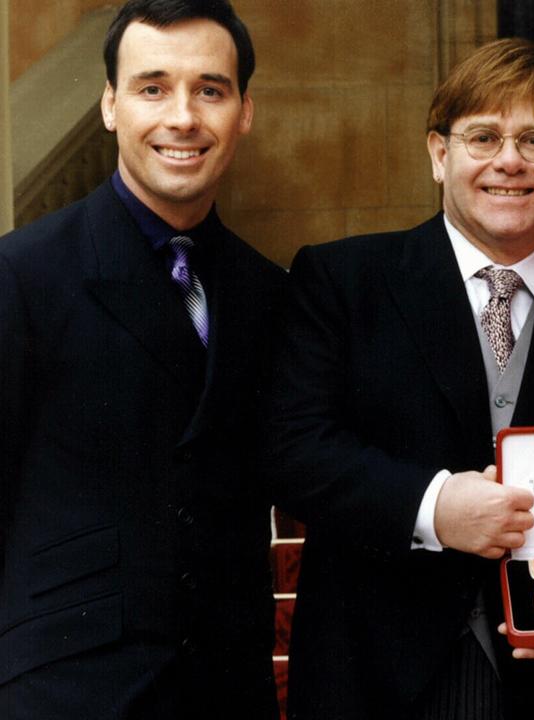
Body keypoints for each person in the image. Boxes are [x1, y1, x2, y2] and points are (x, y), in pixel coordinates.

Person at [265, 38, 534, 720]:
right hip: (368, 680)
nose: (509, 160)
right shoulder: (345, 281)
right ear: (439, 154)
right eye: (483, 136)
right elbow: (293, 450)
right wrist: (433, 508)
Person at [0, 1, 281, 717]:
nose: (182, 117)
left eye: (209, 90)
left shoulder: (269, 291)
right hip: (65, 689)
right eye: (153, 87)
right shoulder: (22, 274)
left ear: (243, 111)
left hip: (226, 689)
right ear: (109, 106)